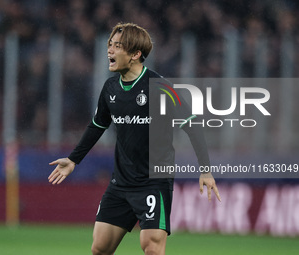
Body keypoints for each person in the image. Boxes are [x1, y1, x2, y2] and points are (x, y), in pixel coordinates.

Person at [48, 22, 220, 255]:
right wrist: (73, 160)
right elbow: (97, 125)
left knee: (150, 245)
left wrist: (206, 170)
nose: (109, 50)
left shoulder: (160, 88)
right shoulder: (110, 88)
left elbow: (193, 126)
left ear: (135, 54)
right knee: (99, 248)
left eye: (117, 46)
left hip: (153, 183)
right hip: (121, 183)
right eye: (110, 44)